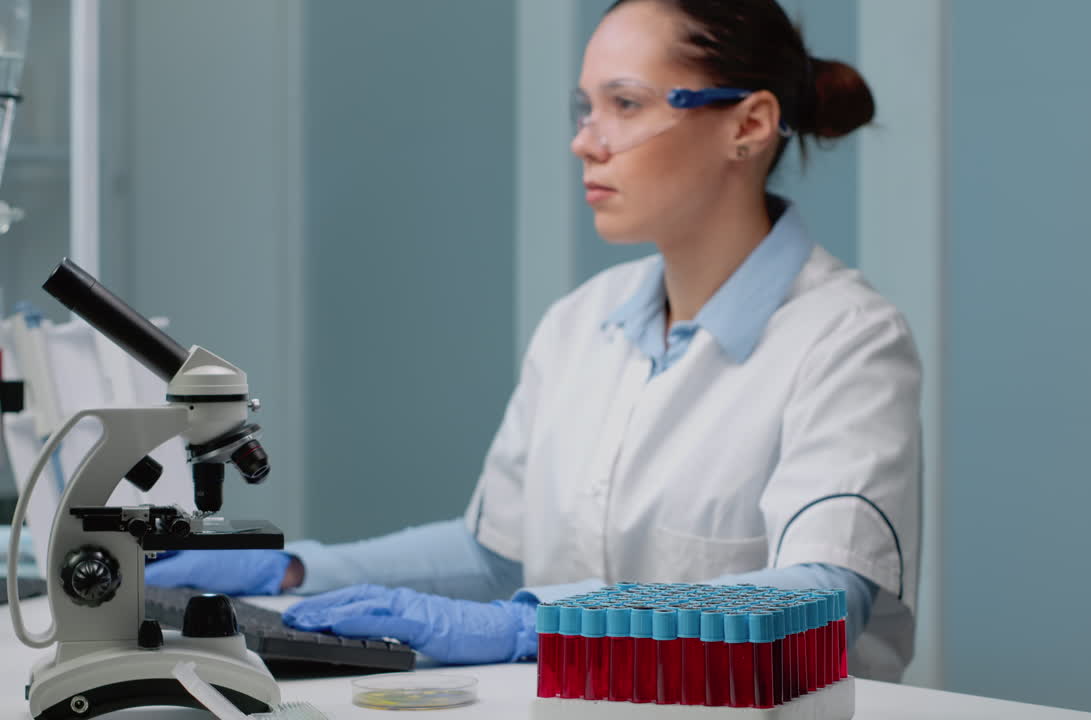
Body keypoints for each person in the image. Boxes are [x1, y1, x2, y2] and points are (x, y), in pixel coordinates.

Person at [148, 0, 922, 681]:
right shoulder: (582, 321)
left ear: (748, 125)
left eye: (624, 104)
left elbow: (822, 599)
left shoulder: (846, 340)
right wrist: (294, 568)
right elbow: (496, 555)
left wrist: (529, 626)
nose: (587, 142)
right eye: (585, 108)